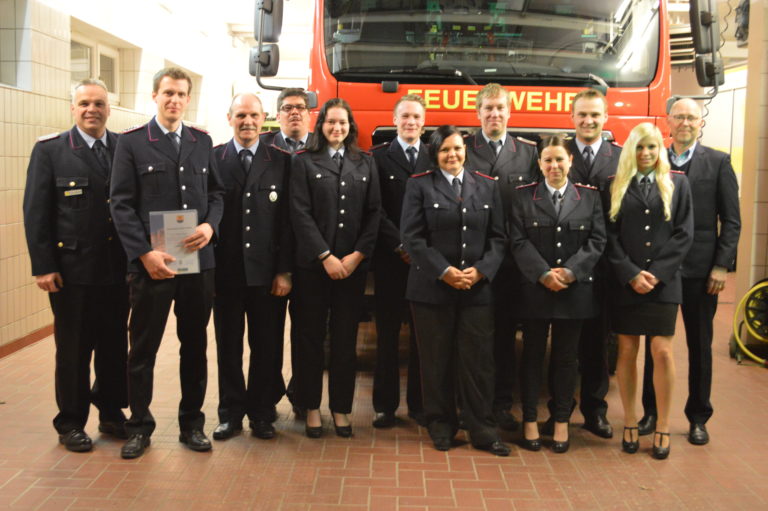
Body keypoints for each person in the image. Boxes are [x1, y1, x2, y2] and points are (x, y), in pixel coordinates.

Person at [110, 67, 224, 459]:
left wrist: (210, 226)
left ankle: (192, 424)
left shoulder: (202, 142)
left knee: (194, 346)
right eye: (168, 93)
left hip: (198, 262)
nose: (174, 100)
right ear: (155, 96)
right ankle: (139, 427)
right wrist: (143, 254)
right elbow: (120, 204)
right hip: (152, 265)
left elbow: (217, 193)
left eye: (181, 94)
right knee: (143, 348)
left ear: (188, 99)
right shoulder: (133, 143)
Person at [23, 78, 129, 452]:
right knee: (73, 350)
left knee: (115, 345)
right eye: (84, 103)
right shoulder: (51, 151)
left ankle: (113, 414)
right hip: (72, 273)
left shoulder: (123, 147)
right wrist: (43, 265)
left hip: (117, 271)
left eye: (99, 103)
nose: (91, 110)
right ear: (73, 108)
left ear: (108, 109)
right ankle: (70, 422)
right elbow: (36, 212)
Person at [401, 125, 510, 456]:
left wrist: (481, 271)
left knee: (478, 362)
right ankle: (441, 425)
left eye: (458, 149)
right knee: (436, 361)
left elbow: (499, 238)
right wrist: (445, 272)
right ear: (435, 154)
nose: (453, 155)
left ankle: (482, 428)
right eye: (446, 150)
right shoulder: (419, 185)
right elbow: (412, 237)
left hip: (476, 290)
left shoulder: (487, 186)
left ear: (466, 151)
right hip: (432, 290)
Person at [638, 98, 741, 444]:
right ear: (667, 121)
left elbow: (731, 220)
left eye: (691, 117)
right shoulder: (654, 158)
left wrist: (722, 265)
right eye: (679, 116)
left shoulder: (718, 162)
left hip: (701, 271)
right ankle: (651, 412)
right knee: (657, 346)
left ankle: (698, 417)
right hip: (662, 269)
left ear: (701, 123)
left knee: (700, 344)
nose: (684, 122)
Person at [289, 98, 381, 438]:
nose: (337, 128)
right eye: (331, 123)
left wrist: (357, 256)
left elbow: (374, 214)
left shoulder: (364, 163)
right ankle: (311, 407)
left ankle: (341, 409)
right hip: (313, 269)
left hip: (351, 270)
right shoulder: (302, 162)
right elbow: (299, 213)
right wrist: (325, 256)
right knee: (310, 340)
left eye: (343, 123)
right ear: (321, 125)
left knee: (346, 342)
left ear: (351, 126)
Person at [510, 135, 606, 453]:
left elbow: (597, 240)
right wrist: (542, 274)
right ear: (539, 164)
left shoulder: (589, 198)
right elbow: (518, 240)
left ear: (570, 162)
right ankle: (530, 420)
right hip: (535, 290)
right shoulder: (523, 197)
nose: (554, 166)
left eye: (559, 159)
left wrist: (570, 272)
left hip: (573, 291)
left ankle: (562, 420)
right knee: (532, 358)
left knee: (566, 360)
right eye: (548, 160)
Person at [605, 123, 693, 460]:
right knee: (626, 351)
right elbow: (609, 236)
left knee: (662, 352)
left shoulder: (678, 184)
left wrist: (655, 274)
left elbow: (684, 234)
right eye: (640, 148)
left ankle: (663, 425)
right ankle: (628, 421)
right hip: (626, 283)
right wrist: (630, 273)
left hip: (664, 283)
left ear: (661, 151)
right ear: (631, 151)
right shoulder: (614, 185)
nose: (646, 154)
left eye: (652, 148)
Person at [211, 93, 292, 441]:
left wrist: (285, 271)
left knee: (267, 346)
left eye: (253, 115)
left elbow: (290, 221)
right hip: (225, 274)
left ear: (265, 119)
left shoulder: (282, 161)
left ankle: (261, 413)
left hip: (267, 274)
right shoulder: (213, 158)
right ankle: (230, 413)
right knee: (228, 346)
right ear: (229, 117)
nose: (247, 121)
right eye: (241, 115)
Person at [541, 89, 621, 439]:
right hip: (564, 267)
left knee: (597, 343)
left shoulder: (621, 158)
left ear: (605, 118)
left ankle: (595, 409)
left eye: (595, 115)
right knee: (561, 348)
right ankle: (559, 411)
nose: (589, 121)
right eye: (582, 115)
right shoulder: (560, 153)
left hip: (605, 265)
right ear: (572, 118)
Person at [464, 83, 540, 430]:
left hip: (512, 265)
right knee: (474, 339)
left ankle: (502, 405)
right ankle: (471, 405)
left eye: (500, 108)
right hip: (474, 262)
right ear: (477, 113)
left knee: (507, 337)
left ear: (510, 112)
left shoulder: (528, 153)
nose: (494, 114)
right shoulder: (463, 149)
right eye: (488, 108)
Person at [370, 94, 427, 428]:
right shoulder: (378, 158)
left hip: (423, 263)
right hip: (390, 261)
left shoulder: (434, 157)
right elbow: (374, 208)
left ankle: (419, 406)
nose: (410, 122)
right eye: (405, 116)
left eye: (416, 117)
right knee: (387, 336)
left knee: (421, 338)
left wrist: (417, 247)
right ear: (395, 120)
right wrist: (399, 243)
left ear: (424, 121)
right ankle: (385, 406)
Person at [260, 87, 312, 421]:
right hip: (270, 258)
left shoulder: (321, 149)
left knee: (307, 335)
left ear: (310, 115)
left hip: (309, 259)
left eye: (300, 108)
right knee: (269, 335)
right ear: (277, 115)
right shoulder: (262, 149)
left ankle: (301, 394)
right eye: (287, 108)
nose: (294, 112)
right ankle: (267, 397)